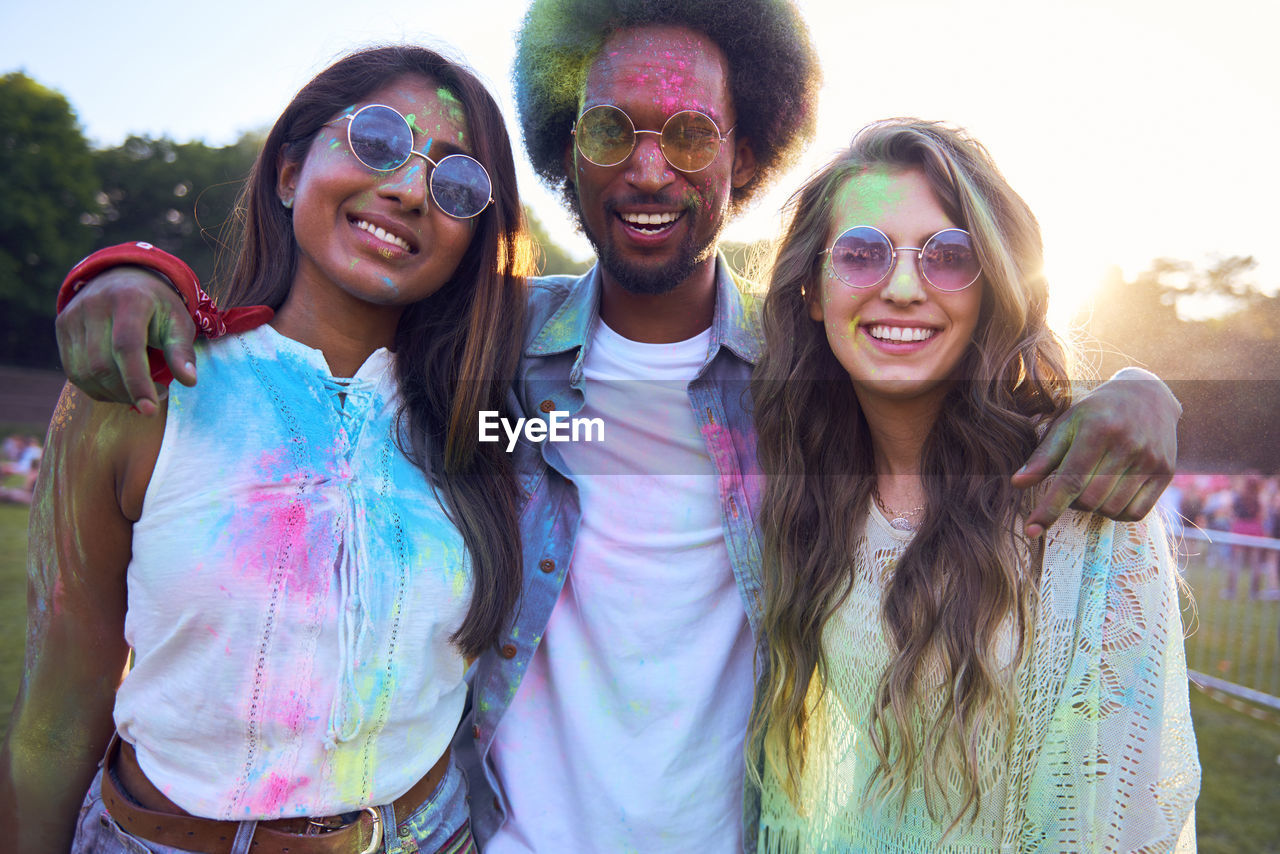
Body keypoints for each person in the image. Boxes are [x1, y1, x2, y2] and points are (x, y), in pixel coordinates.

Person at [50, 2, 1183, 849]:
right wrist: (129, 271)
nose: (649, 167)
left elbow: (939, 364)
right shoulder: (488, 372)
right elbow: (333, 331)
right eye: (609, 128)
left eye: (691, 135)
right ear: (562, 152)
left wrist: (1135, 383)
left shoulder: (800, 385)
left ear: (744, 160)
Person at [0, 45, 530, 854]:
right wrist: (130, 271)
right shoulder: (141, 392)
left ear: (476, 238)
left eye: (458, 185)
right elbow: (52, 724)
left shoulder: (488, 427)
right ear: (288, 171)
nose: (409, 189)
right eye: (378, 140)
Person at [748, 120, 1199, 852]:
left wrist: (1143, 386)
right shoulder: (805, 489)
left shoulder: (1080, 498)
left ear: (991, 287)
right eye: (860, 254)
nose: (901, 288)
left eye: (948, 257)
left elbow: (1125, 813)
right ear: (810, 291)